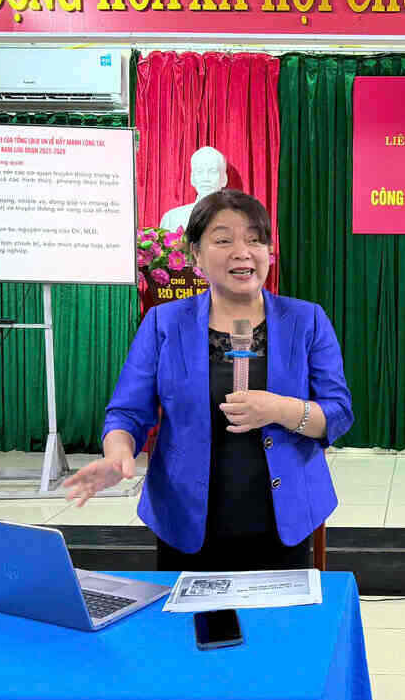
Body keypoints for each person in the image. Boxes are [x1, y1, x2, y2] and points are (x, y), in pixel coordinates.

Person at [64, 188, 352, 571]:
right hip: (185, 520)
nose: (242, 251)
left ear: (269, 252)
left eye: (255, 239)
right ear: (195, 254)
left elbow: (337, 413)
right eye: (223, 240)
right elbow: (127, 414)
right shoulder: (164, 324)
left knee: (276, 630)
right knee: (191, 629)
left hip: (286, 518)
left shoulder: (306, 321)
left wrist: (280, 409)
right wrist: (118, 455)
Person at [159, 146, 227, 232]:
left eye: (212, 171)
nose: (205, 178)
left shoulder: (238, 218)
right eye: (199, 171)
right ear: (192, 178)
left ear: (224, 178)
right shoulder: (172, 219)